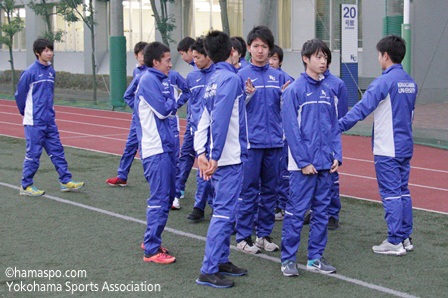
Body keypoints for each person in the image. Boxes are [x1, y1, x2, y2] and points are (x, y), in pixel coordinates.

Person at [339, 35, 417, 256]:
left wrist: (338, 126)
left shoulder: (384, 81)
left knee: (391, 193)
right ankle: (404, 237)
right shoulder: (410, 81)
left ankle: (394, 241)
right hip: (405, 146)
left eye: (378, 55)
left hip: (387, 148)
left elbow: (362, 109)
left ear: (385, 55)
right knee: (402, 191)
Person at [281, 39, 341, 277]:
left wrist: (337, 155)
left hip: (326, 165)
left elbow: (334, 126)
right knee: (296, 213)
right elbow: (291, 131)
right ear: (305, 58)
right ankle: (288, 260)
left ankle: (315, 258)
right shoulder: (294, 90)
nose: (323, 61)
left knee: (321, 213)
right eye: (318, 56)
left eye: (325, 57)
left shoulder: (329, 90)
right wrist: (303, 162)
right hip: (302, 167)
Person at [194, 30, 248, 288]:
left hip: (218, 157)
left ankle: (222, 260)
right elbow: (222, 117)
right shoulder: (230, 78)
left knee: (223, 211)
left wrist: (201, 153)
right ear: (232, 51)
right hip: (227, 159)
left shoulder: (213, 78)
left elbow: (203, 117)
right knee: (224, 213)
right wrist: (213, 156)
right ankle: (208, 269)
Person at [236, 26, 286, 254]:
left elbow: (288, 108)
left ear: (270, 49)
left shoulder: (280, 77)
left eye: (264, 47)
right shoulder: (240, 76)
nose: (260, 50)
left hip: (275, 143)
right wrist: (246, 95)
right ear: (248, 48)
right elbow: (233, 110)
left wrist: (286, 99)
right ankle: (243, 236)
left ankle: (263, 235)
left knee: (270, 192)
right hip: (251, 144)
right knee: (248, 191)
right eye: (255, 46)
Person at [15, 38, 84, 196]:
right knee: (33, 154)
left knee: (57, 150)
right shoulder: (30, 72)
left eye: (51, 50)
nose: (49, 53)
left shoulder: (51, 71)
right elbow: (19, 95)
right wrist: (26, 113)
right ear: (37, 53)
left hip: (49, 120)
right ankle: (26, 186)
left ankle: (65, 181)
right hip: (34, 122)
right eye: (45, 50)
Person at [135, 41, 177, 264]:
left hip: (166, 147)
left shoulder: (162, 79)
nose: (171, 64)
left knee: (168, 196)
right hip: (155, 149)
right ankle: (151, 249)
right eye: (168, 60)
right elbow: (163, 110)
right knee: (160, 198)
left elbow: (168, 106)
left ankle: (151, 239)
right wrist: (172, 101)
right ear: (156, 61)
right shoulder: (149, 80)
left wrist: (170, 101)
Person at [106, 41, 148, 186]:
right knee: (130, 146)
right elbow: (129, 95)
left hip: (147, 119)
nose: (145, 56)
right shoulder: (137, 71)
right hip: (137, 118)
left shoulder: (151, 72)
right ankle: (122, 176)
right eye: (142, 53)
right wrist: (136, 108)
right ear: (136, 55)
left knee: (146, 149)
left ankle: (157, 179)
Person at [185, 37, 216, 222]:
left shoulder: (218, 75)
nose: (194, 61)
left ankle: (214, 205)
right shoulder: (191, 76)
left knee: (216, 169)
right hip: (198, 130)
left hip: (216, 130)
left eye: (198, 57)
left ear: (208, 56)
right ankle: (199, 206)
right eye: (193, 57)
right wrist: (191, 124)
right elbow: (191, 103)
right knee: (201, 169)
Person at [268, 44, 294, 221]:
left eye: (274, 58)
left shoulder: (287, 80)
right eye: (269, 57)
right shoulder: (256, 77)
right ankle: (270, 204)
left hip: (283, 134)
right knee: (270, 173)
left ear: (280, 61)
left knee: (284, 171)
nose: (270, 61)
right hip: (265, 134)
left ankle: (282, 205)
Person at [176, 36, 199, 203]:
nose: (182, 58)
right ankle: (179, 188)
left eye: (182, 54)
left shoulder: (204, 70)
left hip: (201, 123)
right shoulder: (193, 71)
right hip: (192, 121)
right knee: (187, 154)